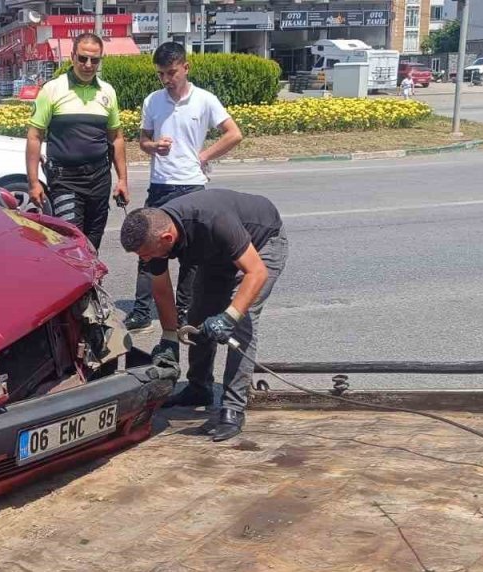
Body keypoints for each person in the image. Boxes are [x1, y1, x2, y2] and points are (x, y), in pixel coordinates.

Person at [120, 190, 288, 442]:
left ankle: (233, 407)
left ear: (167, 238)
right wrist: (169, 338)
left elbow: (257, 272)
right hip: (217, 256)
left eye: (145, 254)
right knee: (198, 315)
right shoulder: (155, 238)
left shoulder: (214, 220)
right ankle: (199, 388)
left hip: (262, 246)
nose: (143, 260)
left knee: (242, 320)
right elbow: (162, 289)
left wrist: (229, 317)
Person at [124, 41, 243, 332]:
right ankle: (141, 312)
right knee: (148, 249)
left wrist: (203, 156)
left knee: (191, 257)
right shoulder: (153, 101)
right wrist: (154, 147)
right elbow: (143, 141)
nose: (166, 79)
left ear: (185, 68)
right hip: (161, 186)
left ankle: (182, 311)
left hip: (191, 187)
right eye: (161, 74)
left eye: (171, 72)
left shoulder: (205, 100)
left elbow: (234, 134)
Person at [26, 32, 129, 251]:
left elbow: (116, 138)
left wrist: (122, 180)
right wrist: (34, 182)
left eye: (95, 59)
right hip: (65, 181)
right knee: (71, 245)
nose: (88, 64)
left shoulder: (107, 91)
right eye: (82, 58)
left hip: (100, 180)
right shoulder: (52, 90)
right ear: (72, 56)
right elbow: (35, 136)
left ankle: (90, 285)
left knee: (92, 245)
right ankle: (73, 284)